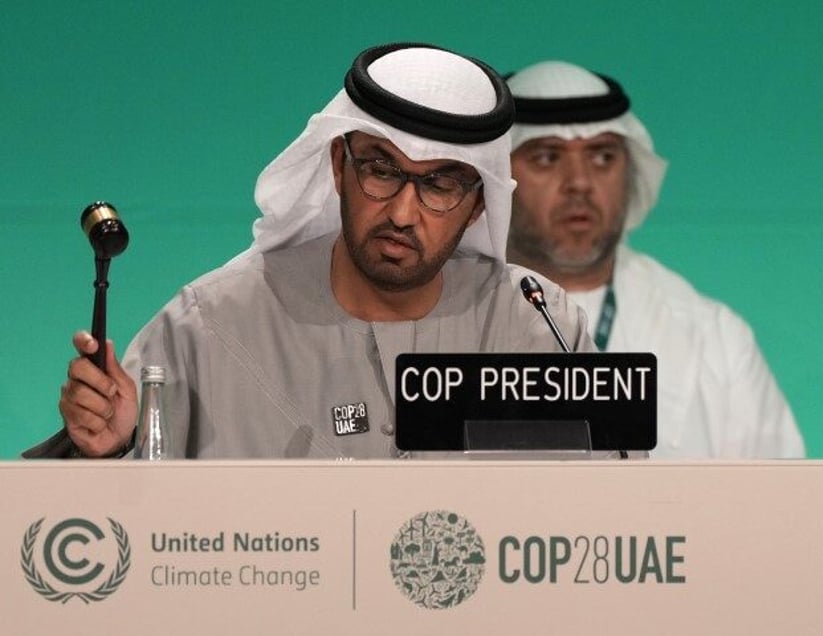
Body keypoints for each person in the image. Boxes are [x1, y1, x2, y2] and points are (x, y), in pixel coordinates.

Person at [36, 44, 596, 460]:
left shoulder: (536, 327)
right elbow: (93, 537)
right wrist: (107, 448)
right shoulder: (210, 325)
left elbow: (621, 506)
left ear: (477, 206)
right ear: (337, 167)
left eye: (440, 185)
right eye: (380, 169)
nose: (402, 213)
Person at [505, 60, 805, 458]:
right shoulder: (439, 312)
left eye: (602, 157)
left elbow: (784, 505)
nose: (579, 182)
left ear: (631, 174)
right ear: (496, 178)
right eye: (547, 157)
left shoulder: (712, 336)